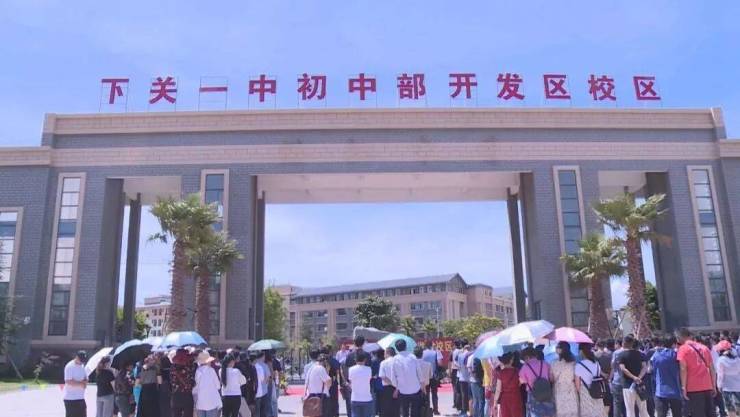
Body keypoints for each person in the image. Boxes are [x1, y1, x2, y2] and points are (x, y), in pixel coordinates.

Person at [676, 328, 717, 417]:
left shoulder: (683, 349)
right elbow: (712, 368)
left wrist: (683, 387)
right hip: (707, 385)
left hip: (693, 387)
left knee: (698, 413)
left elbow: (683, 369)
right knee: (710, 413)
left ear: (680, 337)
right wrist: (714, 385)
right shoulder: (704, 348)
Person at [648, 337, 682, 417]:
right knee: (677, 414)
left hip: (660, 391)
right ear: (673, 344)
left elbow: (650, 369)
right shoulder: (676, 355)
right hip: (676, 391)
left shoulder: (656, 355)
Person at [391, 339, 424, 417]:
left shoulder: (395, 359)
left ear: (396, 348)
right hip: (415, 388)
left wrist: (397, 387)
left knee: (404, 411)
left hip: (403, 390)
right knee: (415, 411)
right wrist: (422, 385)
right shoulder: (413, 357)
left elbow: (393, 377)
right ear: (405, 346)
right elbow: (419, 373)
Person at [519, 347, 555, 417]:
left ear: (527, 357)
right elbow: (551, 378)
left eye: (524, 359)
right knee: (549, 414)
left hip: (533, 395)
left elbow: (522, 381)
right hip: (547, 392)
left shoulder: (525, 367)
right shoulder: (545, 363)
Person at [619, 335, 649, 417]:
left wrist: (633, 377)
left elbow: (623, 369)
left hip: (627, 385)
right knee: (643, 409)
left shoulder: (621, 355)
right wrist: (639, 377)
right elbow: (645, 367)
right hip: (640, 384)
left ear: (624, 342)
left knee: (630, 410)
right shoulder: (640, 354)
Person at [576, 343, 606, 417]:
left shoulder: (579, 365)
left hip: (585, 393)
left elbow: (578, 385)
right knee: (598, 413)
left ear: (581, 351)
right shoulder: (597, 363)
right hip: (598, 391)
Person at [550, 341, 578, 417]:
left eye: (557, 347)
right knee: (572, 412)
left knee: (560, 412)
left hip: (558, 391)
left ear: (561, 349)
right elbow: (576, 377)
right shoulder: (574, 362)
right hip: (571, 390)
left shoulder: (553, 363)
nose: (555, 348)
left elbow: (551, 379)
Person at [493, 353, 523, 417]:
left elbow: (498, 389)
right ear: (511, 360)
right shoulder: (517, 371)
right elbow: (520, 383)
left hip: (504, 398)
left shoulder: (501, 373)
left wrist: (495, 402)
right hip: (516, 396)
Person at [193, 351, 222, 417]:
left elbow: (196, 386)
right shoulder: (211, 370)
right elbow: (218, 386)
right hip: (211, 402)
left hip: (200, 402)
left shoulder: (197, 371)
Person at [717, 340, 740, 417]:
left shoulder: (720, 360)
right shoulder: (737, 359)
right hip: (738, 386)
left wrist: (719, 385)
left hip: (727, 387)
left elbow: (720, 375)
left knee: (730, 408)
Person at [170, 349, 196, 417]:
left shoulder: (172, 368)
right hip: (187, 396)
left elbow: (171, 381)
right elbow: (192, 383)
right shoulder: (188, 368)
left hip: (176, 395)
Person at [349, 351, 375, 417]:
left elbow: (350, 381)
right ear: (365, 360)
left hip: (355, 397)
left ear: (355, 359)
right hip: (367, 398)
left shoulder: (351, 369)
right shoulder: (369, 369)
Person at [63, 350, 88, 417]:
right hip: (71, 399)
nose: (82, 362)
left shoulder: (82, 366)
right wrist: (81, 383)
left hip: (81, 398)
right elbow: (68, 381)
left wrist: (84, 382)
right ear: (76, 357)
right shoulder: (70, 366)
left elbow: (86, 378)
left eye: (83, 360)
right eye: (81, 360)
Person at [422, 342, 443, 415]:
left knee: (426, 393)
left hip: (425, 376)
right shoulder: (435, 352)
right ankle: (435, 410)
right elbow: (440, 363)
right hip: (434, 375)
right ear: (431, 346)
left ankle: (427, 409)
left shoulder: (422, 353)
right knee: (434, 393)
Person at [596, 340, 615, 417]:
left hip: (598, 381)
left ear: (597, 346)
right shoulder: (610, 355)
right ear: (605, 346)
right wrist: (609, 377)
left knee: (600, 400)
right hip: (607, 381)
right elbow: (613, 368)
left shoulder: (595, 355)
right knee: (608, 400)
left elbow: (596, 367)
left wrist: (603, 374)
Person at [322, 345, 342, 417]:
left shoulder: (321, 361)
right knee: (334, 400)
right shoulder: (335, 361)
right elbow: (338, 373)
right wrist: (340, 384)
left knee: (325, 401)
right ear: (330, 352)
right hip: (333, 383)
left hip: (323, 383)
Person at [380, 347, 399, 417]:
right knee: (396, 410)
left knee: (386, 409)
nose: (384, 355)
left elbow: (383, 376)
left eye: (384, 353)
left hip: (387, 388)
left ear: (388, 353)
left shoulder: (383, 362)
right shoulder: (398, 362)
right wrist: (396, 387)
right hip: (398, 388)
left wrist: (392, 383)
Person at [237, 351, 258, 417]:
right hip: (250, 390)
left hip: (240, 390)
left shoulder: (237, 366)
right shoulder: (251, 367)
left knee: (241, 410)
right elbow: (255, 380)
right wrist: (256, 391)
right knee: (250, 408)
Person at [415, 346, 433, 417]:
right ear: (422, 354)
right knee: (426, 403)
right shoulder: (428, 364)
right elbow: (431, 376)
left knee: (415, 405)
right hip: (426, 386)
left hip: (415, 387)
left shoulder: (412, 365)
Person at [467, 348, 485, 417]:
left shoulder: (470, 357)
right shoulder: (481, 357)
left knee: (475, 400)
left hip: (472, 380)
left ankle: (475, 415)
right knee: (481, 401)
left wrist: (473, 375)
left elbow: (469, 369)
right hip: (480, 381)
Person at [254, 351, 272, 417]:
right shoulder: (264, 366)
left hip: (255, 391)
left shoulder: (254, 365)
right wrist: (266, 382)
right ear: (262, 357)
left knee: (256, 410)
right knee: (263, 410)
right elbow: (268, 377)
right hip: (264, 391)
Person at [456, 344, 472, 417]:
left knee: (463, 395)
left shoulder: (460, 355)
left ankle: (464, 411)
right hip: (469, 378)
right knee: (470, 396)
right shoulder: (470, 355)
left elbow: (458, 366)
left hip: (462, 377)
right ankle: (470, 410)